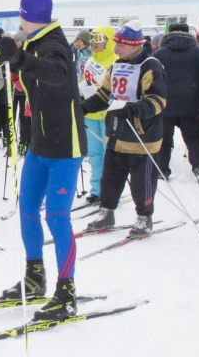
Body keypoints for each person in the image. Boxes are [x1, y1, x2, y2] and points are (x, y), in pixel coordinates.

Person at [0, 0, 87, 322]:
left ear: (26, 15)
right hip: (41, 144)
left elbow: (56, 73)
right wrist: (6, 56)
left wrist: (20, 59)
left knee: (57, 217)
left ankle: (66, 293)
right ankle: (35, 277)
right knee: (28, 209)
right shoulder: (35, 41)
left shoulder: (54, 45)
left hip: (65, 147)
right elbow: (27, 68)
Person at [83, 20, 167, 236]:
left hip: (142, 137)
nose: (116, 48)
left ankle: (144, 217)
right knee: (110, 179)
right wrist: (81, 108)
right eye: (116, 43)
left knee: (143, 183)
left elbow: (158, 100)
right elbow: (103, 95)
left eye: (120, 44)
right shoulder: (117, 65)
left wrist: (134, 109)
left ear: (133, 44)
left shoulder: (151, 65)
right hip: (116, 134)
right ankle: (106, 212)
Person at [154, 22, 199, 186]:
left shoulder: (160, 54)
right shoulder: (198, 53)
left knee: (164, 138)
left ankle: (162, 168)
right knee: (193, 138)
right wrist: (196, 94)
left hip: (165, 103)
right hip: (190, 103)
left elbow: (153, 78)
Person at [79, 25, 118, 205]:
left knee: (109, 153)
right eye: (92, 39)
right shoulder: (88, 60)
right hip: (91, 113)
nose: (95, 44)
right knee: (94, 154)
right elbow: (83, 80)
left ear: (108, 41)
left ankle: (109, 190)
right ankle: (96, 189)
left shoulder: (115, 61)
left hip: (108, 113)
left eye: (99, 39)